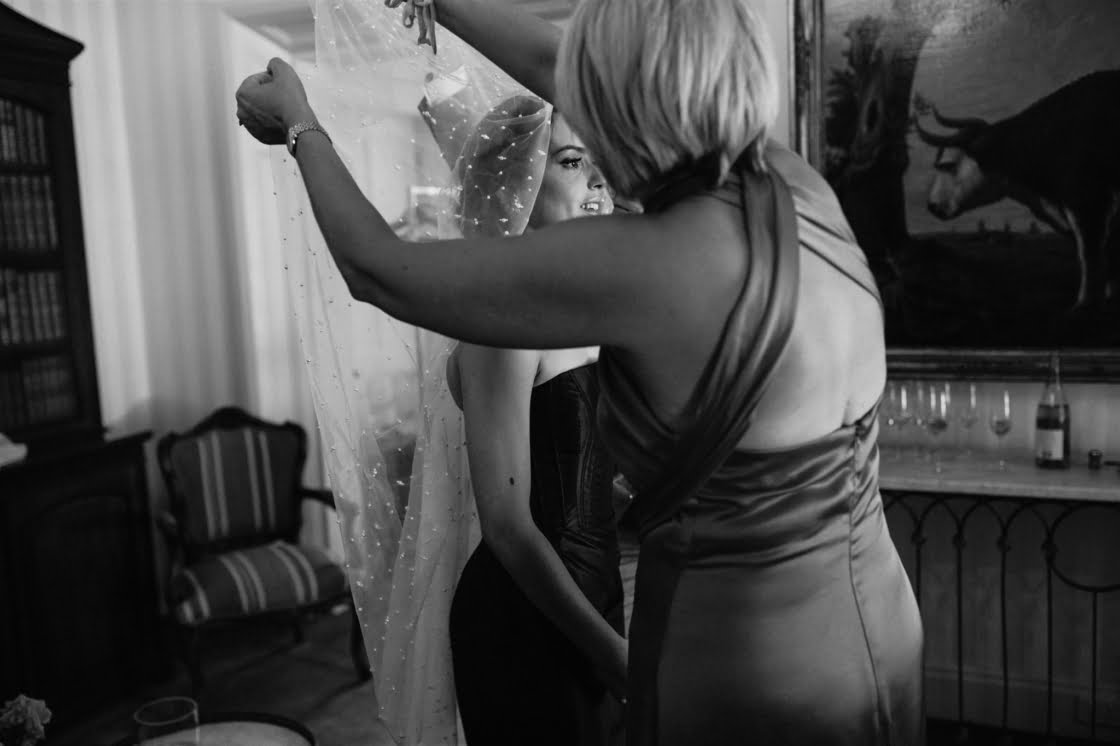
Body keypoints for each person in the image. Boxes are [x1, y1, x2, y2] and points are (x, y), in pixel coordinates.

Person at [236, 0, 925, 743]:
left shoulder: (649, 260)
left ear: (613, 99)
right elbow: (546, 64)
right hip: (880, 620)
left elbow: (377, 269)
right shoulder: (796, 187)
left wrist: (300, 123)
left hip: (749, 657)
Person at [438, 94, 627, 745]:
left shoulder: (587, 309)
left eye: (602, 161)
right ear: (513, 183)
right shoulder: (503, 324)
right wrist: (608, 652)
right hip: (526, 619)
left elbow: (580, 470)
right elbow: (509, 527)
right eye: (572, 161)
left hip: (594, 594)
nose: (598, 181)